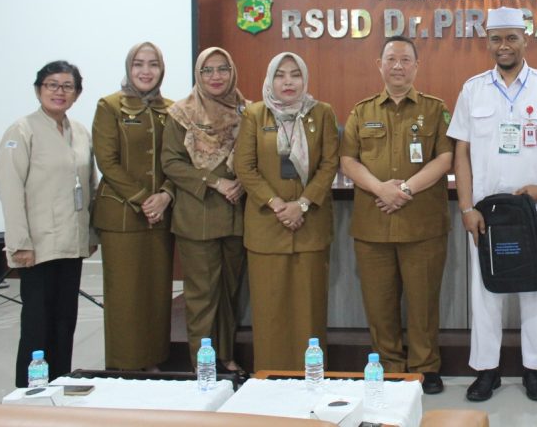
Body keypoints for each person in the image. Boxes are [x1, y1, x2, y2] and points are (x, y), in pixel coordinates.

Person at [447, 6, 537, 403]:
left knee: (536, 289)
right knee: (486, 291)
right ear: (488, 42)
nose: (503, 46)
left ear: (525, 39)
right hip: (486, 212)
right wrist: (467, 207)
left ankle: (535, 370)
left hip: (535, 209)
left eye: (511, 38)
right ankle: (487, 371)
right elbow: (462, 152)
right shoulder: (473, 89)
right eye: (496, 39)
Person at [340, 35, 453, 395]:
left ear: (417, 66)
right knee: (379, 303)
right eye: (391, 59)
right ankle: (389, 366)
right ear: (380, 65)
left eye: (405, 60)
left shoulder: (436, 109)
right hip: (373, 225)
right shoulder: (362, 111)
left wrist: (404, 190)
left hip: (422, 224)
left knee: (423, 303)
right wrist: (381, 189)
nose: (398, 66)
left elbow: (445, 158)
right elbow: (348, 160)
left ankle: (425, 367)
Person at [0, 60, 97, 387]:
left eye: (67, 86)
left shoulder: (79, 132)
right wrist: (19, 243)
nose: (59, 92)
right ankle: (30, 392)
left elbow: (90, 185)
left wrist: (90, 233)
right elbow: (10, 190)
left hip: (71, 242)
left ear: (77, 94)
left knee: (65, 320)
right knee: (37, 323)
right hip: (37, 246)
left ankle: (60, 382)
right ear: (39, 89)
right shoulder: (21, 131)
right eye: (52, 84)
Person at [235, 52, 339, 372]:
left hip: (310, 225)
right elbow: (245, 166)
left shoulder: (321, 113)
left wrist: (302, 204)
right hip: (268, 225)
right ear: (270, 79)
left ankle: (310, 376)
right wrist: (278, 205)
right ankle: (270, 375)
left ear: (304, 78)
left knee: (309, 309)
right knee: (270, 309)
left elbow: (329, 164)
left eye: (295, 74)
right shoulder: (255, 114)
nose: (288, 81)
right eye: (281, 75)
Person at [161, 47, 247, 374]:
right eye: (207, 70)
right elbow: (171, 162)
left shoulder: (246, 110)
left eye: (222, 69)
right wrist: (215, 182)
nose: (215, 77)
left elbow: (252, 155)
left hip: (235, 215)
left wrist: (241, 180)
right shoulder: (181, 113)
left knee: (228, 294)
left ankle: (225, 356)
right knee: (201, 297)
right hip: (197, 214)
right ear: (198, 74)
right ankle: (204, 363)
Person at [91, 42, 175, 371]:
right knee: (125, 296)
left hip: (160, 215)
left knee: (156, 294)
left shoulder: (170, 109)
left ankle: (153, 360)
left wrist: (166, 194)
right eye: (138, 64)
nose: (145, 71)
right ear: (129, 68)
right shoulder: (110, 106)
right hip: (123, 217)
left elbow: (175, 160)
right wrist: (144, 199)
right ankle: (125, 365)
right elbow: (107, 162)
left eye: (153, 64)